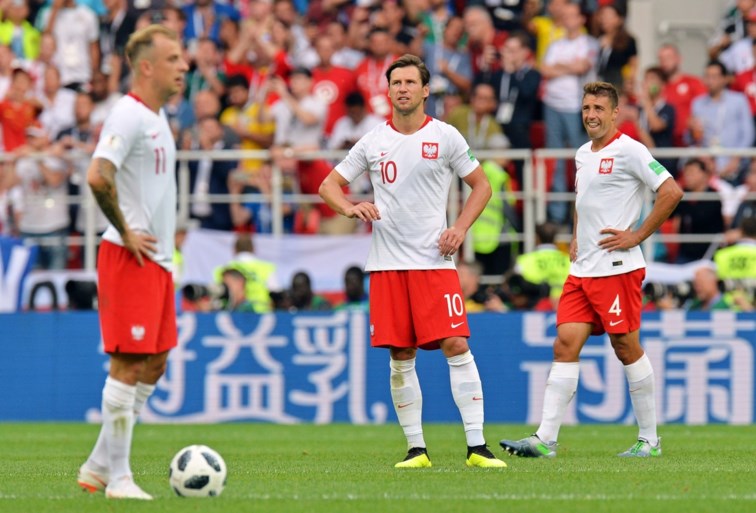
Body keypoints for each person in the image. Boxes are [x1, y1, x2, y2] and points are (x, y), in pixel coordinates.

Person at [319, 54, 505, 469]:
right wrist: (350, 208)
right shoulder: (372, 142)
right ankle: (416, 450)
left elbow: (481, 185)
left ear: (425, 91)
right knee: (401, 354)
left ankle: (477, 447)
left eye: (409, 82)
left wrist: (459, 227)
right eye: (395, 82)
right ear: (388, 91)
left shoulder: (446, 136)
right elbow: (328, 185)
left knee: (456, 344)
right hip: (387, 265)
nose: (401, 88)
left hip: (434, 263)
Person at [500, 81, 683, 459]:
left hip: (617, 268)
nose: (591, 115)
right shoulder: (583, 153)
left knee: (625, 346)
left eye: (599, 108)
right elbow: (585, 199)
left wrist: (637, 235)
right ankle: (544, 439)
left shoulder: (631, 150)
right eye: (586, 108)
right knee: (564, 344)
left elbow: (671, 191)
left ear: (615, 113)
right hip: (583, 269)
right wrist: (575, 235)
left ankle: (650, 440)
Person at [77, 24, 188, 500]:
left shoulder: (158, 116)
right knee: (127, 363)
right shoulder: (127, 115)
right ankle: (119, 479)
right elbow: (98, 176)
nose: (184, 66)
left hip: (158, 260)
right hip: (130, 256)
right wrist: (125, 231)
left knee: (156, 362)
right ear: (147, 67)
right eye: (174, 59)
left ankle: (99, 464)